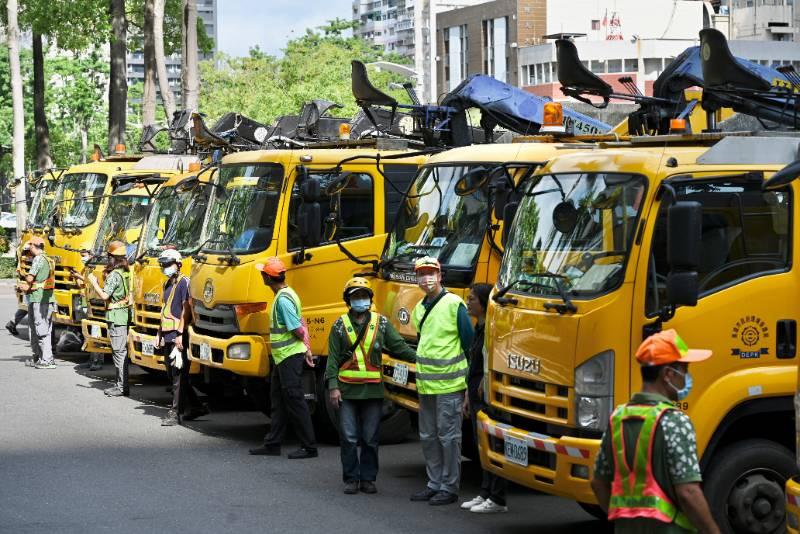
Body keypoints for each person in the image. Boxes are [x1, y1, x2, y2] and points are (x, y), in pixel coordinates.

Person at [591, 329, 720, 534]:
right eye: (684, 369)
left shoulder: (617, 419)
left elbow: (598, 483)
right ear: (668, 374)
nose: (686, 377)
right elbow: (688, 492)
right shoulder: (675, 421)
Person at [325, 277, 416, 494]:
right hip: (347, 391)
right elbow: (333, 360)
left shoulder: (381, 323)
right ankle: (351, 479)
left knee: (370, 438)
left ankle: (367, 479)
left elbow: (399, 347)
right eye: (356, 297)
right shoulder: (339, 326)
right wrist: (333, 387)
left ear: (369, 299)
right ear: (348, 300)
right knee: (348, 437)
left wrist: (421, 359)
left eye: (364, 296)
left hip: (373, 392)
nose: (360, 300)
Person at [409, 256, 473, 506]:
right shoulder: (420, 308)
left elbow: (469, 343)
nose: (426, 278)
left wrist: (468, 386)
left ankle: (449, 486)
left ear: (440, 276)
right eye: (421, 274)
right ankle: (433, 483)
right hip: (426, 386)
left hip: (450, 386)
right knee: (428, 436)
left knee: (449, 438)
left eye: (431, 273)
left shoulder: (454, 304)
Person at [248, 257, 318, 459]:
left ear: (268, 278)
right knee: (278, 399)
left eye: (263, 274)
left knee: (295, 400)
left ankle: (309, 446)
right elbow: (302, 321)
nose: (261, 277)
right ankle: (273, 443)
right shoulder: (288, 294)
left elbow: (297, 328)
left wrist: (306, 348)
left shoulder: (283, 299)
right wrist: (308, 348)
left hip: (289, 357)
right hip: (283, 358)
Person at [461, 283, 508, 513]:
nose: (468, 302)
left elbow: (493, 358)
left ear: (483, 303)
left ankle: (497, 499)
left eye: (472, 299)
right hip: (474, 392)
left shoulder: (493, 328)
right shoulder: (478, 327)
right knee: (481, 446)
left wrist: (484, 382)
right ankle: (485, 492)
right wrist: (467, 397)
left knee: (492, 444)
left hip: (487, 393)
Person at [155, 249, 209, 426]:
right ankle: (196, 406)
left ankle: (174, 413)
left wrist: (180, 334)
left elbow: (186, 309)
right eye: (163, 265)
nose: (165, 268)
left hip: (180, 336)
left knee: (178, 376)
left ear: (178, 264)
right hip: (168, 335)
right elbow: (165, 309)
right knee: (173, 375)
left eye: (168, 264)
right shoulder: (167, 284)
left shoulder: (185, 282)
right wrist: (159, 333)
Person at [86, 241, 132, 397]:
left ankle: (121, 386)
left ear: (112, 257)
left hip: (116, 316)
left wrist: (93, 282)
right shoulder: (127, 272)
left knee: (119, 352)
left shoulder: (115, 274)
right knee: (121, 351)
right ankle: (121, 384)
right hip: (124, 314)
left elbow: (105, 296)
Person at [20, 237, 56, 369]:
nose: (29, 250)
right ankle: (42, 358)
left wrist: (24, 284)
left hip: (39, 299)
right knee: (44, 329)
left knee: (41, 330)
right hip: (47, 298)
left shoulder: (38, 259)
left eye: (30, 247)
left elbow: (30, 278)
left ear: (33, 246)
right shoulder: (49, 259)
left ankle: (47, 360)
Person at [70, 249, 103, 371]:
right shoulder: (86, 267)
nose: (82, 258)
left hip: (96, 306)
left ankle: (97, 361)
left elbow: (92, 282)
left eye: (84, 256)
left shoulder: (96, 267)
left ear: (91, 255)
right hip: (87, 304)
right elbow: (81, 284)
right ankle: (91, 359)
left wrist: (79, 276)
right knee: (88, 334)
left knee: (95, 334)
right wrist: (77, 276)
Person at [7, 242, 31, 337]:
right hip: (29, 281)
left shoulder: (21, 248)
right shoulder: (28, 253)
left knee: (26, 305)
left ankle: (12, 322)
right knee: (30, 305)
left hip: (24, 279)